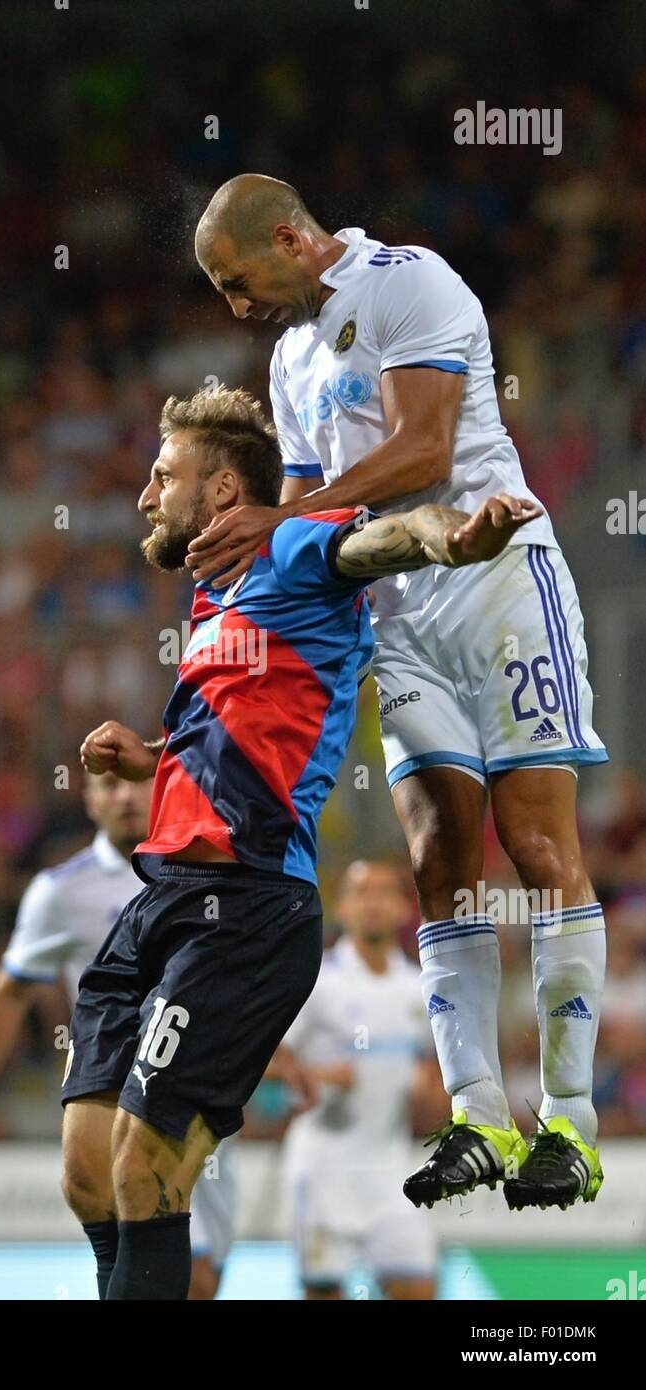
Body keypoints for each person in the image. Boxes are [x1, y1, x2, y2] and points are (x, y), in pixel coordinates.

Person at [60, 381, 540, 1300]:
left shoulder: (291, 545)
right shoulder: (215, 589)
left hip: (245, 907)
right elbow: (242, 720)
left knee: (143, 1170)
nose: (144, 495)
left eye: (164, 476)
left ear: (225, 493)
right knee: (87, 1171)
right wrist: (148, 758)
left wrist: (460, 537)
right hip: (157, 899)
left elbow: (387, 539)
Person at [191, 175, 607, 1212]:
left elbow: (424, 449)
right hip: (399, 611)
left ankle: (571, 1119)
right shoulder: (289, 358)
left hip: (498, 575)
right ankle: (477, 1111)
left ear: (291, 239)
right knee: (437, 858)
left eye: (238, 283)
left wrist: (284, 522)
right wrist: (254, 556)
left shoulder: (407, 282)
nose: (235, 309)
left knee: (539, 842)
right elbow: (299, 513)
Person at [0, 771, 235, 1299]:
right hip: (116, 1093)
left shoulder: (205, 871)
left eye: (141, 781)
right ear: (89, 800)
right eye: (110, 785)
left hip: (196, 1090)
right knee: (172, 1263)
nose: (126, 796)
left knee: (199, 1276)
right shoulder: (61, 891)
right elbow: (9, 994)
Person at [277, 860, 444, 1300]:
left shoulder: (422, 989)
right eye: (360, 892)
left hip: (392, 1169)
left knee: (418, 1286)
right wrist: (313, 1076)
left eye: (385, 892)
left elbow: (431, 1073)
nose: (372, 903)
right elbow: (263, 1059)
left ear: (405, 909)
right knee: (325, 1292)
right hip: (322, 1166)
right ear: (343, 907)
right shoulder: (315, 981)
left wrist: (432, 1098)